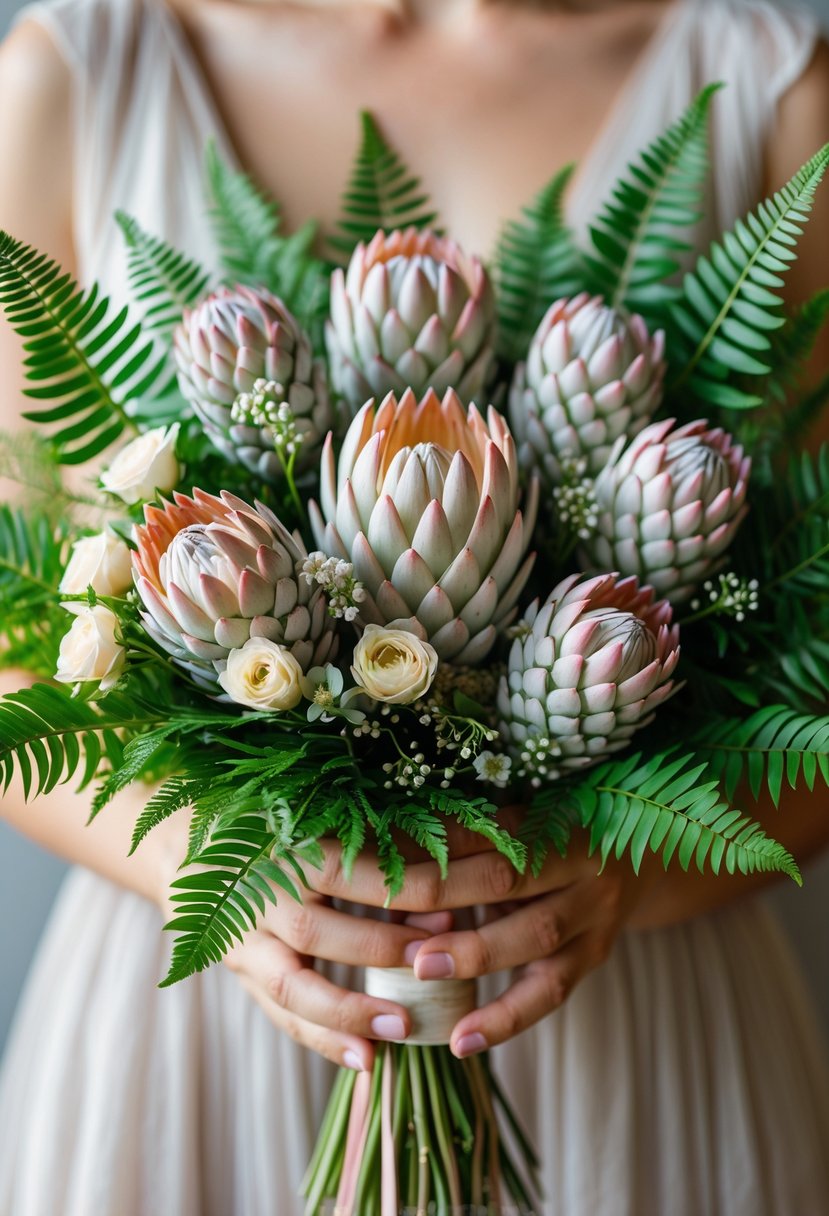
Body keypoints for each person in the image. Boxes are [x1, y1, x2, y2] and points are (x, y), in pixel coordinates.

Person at [0, 0, 828, 1212]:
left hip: (635, 1011)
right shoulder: (72, 73)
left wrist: (631, 869)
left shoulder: (767, 79)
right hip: (206, 1002)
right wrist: (213, 875)